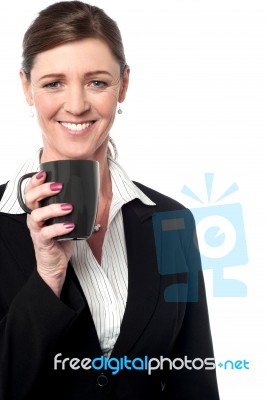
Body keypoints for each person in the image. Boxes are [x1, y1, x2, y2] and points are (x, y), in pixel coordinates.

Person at [0, 1, 220, 399]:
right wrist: (49, 277)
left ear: (124, 84)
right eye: (53, 83)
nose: (78, 104)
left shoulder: (171, 222)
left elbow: (193, 375)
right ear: (26, 87)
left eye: (97, 82)